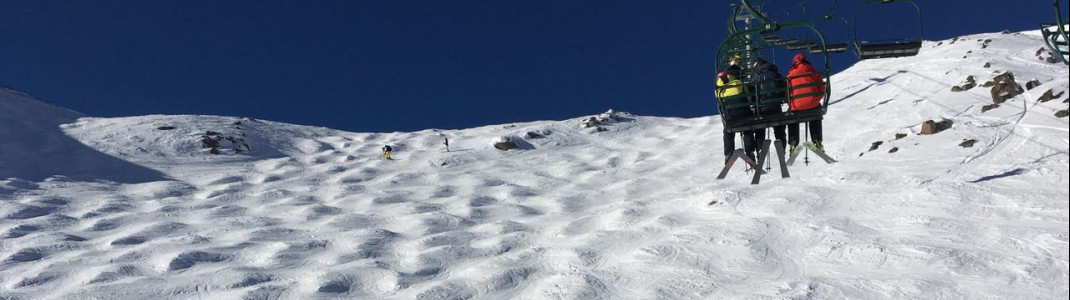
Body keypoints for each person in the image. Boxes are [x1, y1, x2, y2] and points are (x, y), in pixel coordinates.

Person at [716, 64, 762, 165]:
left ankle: (728, 152)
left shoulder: (720, 87)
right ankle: (749, 152)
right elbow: (749, 100)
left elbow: (719, 101)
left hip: (730, 117)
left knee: (728, 131)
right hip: (744, 114)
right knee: (747, 130)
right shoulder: (739, 83)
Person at [786, 53, 826, 153]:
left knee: (791, 116)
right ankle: (817, 140)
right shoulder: (813, 71)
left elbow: (787, 93)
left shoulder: (790, 75)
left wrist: (791, 103)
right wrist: (815, 99)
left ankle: (793, 142)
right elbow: (822, 89)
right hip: (813, 105)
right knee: (815, 115)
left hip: (796, 107)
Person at [750, 58, 787, 143]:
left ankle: (760, 146)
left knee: (759, 126)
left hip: (762, 109)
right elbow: (783, 87)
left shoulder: (757, 75)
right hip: (776, 107)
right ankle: (781, 143)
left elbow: (751, 91)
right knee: (779, 125)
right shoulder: (775, 73)